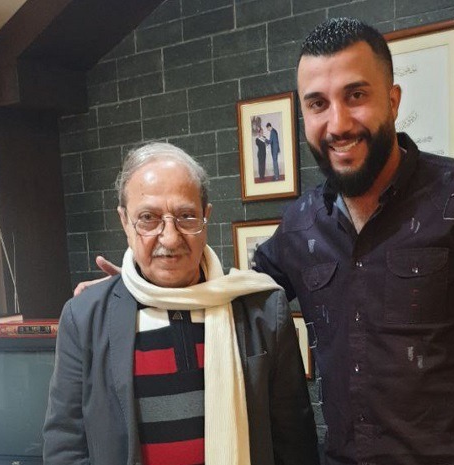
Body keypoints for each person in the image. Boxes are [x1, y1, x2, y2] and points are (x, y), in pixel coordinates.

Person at [76, 18, 454, 465]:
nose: (338, 123)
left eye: (356, 95)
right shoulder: (301, 224)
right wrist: (140, 287)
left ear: (393, 101)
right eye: (317, 104)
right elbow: (229, 292)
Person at [45, 142, 319, 465]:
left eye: (186, 216)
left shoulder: (262, 311)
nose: (170, 237)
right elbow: (66, 448)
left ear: (206, 216)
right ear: (124, 221)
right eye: (148, 218)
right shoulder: (83, 319)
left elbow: (295, 446)